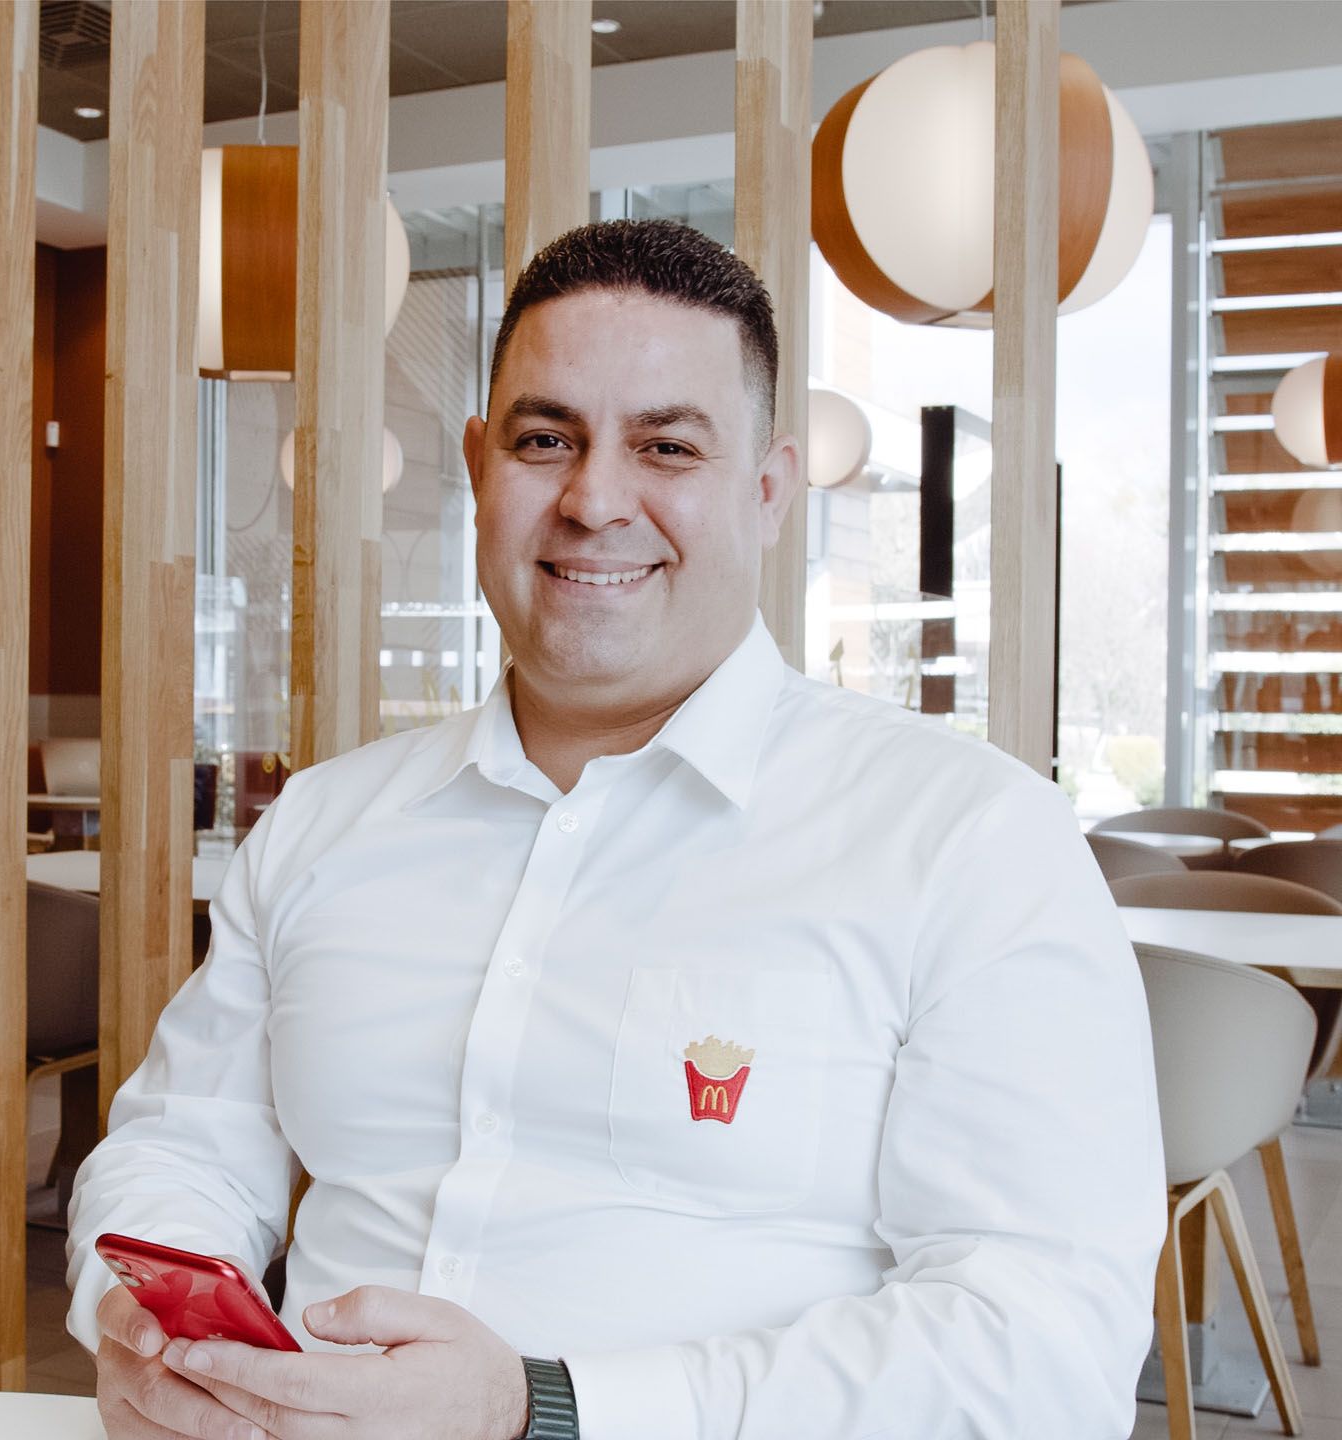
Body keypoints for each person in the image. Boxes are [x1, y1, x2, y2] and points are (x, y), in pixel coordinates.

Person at [66, 219, 1164, 1440]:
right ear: (483, 467)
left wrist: (540, 1411)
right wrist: (146, 1320)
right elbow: (188, 1145)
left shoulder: (968, 840)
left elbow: (1042, 1346)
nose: (594, 501)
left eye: (666, 447)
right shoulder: (326, 822)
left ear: (767, 490)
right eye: (547, 441)